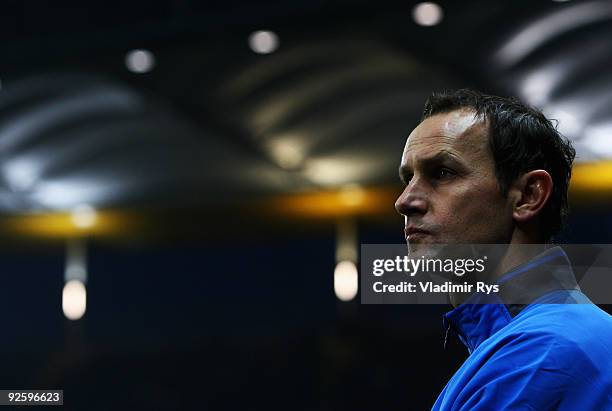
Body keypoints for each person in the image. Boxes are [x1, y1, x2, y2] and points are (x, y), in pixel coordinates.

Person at [394, 89, 612, 410]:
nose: (404, 201)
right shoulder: (546, 339)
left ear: (528, 195)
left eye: (442, 173)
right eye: (407, 178)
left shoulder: (540, 353)